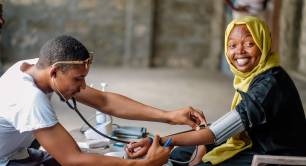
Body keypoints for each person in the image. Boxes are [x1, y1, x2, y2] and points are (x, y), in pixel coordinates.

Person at [126, 16, 306, 166]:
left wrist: (156, 141)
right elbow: (226, 125)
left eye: (249, 44)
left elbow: (218, 132)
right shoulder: (253, 76)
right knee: (180, 155)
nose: (239, 52)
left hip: (277, 154)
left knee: (201, 162)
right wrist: (199, 141)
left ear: (263, 44)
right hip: (255, 142)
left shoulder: (269, 84)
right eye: (232, 45)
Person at [0, 35, 206, 166]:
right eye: (78, 79)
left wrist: (168, 116)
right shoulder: (30, 98)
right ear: (54, 71)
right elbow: (72, 159)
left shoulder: (36, 67)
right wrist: (144, 165)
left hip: (18, 153)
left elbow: (104, 101)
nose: (82, 87)